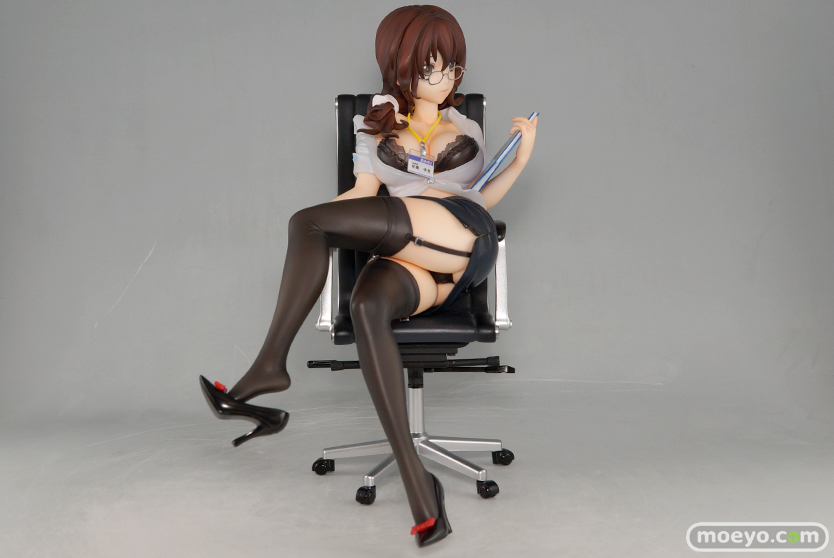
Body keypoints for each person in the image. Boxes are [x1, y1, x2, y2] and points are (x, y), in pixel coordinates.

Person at [200, 5, 537, 547]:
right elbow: (362, 192)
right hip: (412, 264)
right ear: (400, 64)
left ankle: (267, 370)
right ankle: (422, 490)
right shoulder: (374, 121)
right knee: (364, 303)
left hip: (459, 236)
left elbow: (480, 198)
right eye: (431, 66)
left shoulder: (467, 126)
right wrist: (329, 225)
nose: (445, 78)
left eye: (452, 66)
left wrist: (518, 162)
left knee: (305, 222)